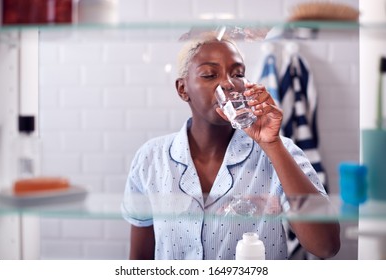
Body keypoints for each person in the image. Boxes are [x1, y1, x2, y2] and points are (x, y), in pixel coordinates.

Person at [121, 31, 340, 260]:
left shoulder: (280, 152)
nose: (228, 83)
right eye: (209, 74)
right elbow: (140, 262)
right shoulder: (151, 159)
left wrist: (272, 144)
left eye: (238, 74)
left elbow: (326, 246)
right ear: (183, 89)